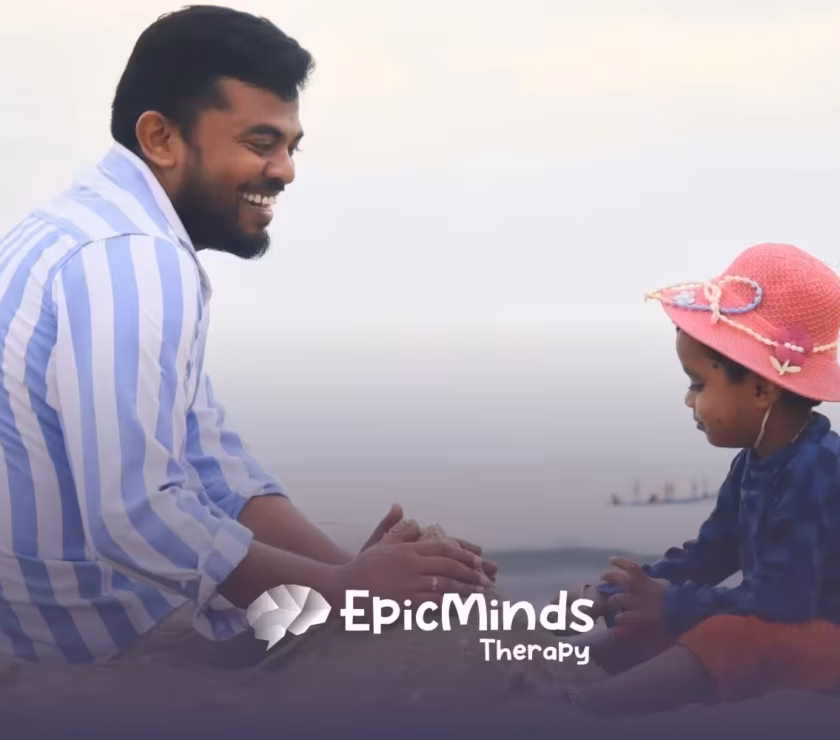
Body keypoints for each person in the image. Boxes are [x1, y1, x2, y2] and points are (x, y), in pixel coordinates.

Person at [0, 4, 495, 666]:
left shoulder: (83, 230)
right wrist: (347, 592)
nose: (286, 170)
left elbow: (211, 461)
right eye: (261, 144)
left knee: (405, 608)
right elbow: (136, 516)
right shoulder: (134, 262)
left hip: (90, 629)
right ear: (162, 138)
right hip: (101, 650)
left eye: (292, 146)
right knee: (451, 666)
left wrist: (361, 575)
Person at [558, 242, 840, 715]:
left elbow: (783, 602)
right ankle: (556, 668)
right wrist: (622, 595)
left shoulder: (819, 468)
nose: (689, 401)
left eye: (697, 384)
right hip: (789, 625)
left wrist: (671, 605)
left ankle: (584, 704)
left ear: (760, 388)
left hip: (822, 633)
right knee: (650, 618)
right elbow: (709, 555)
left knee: (730, 633)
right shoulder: (753, 462)